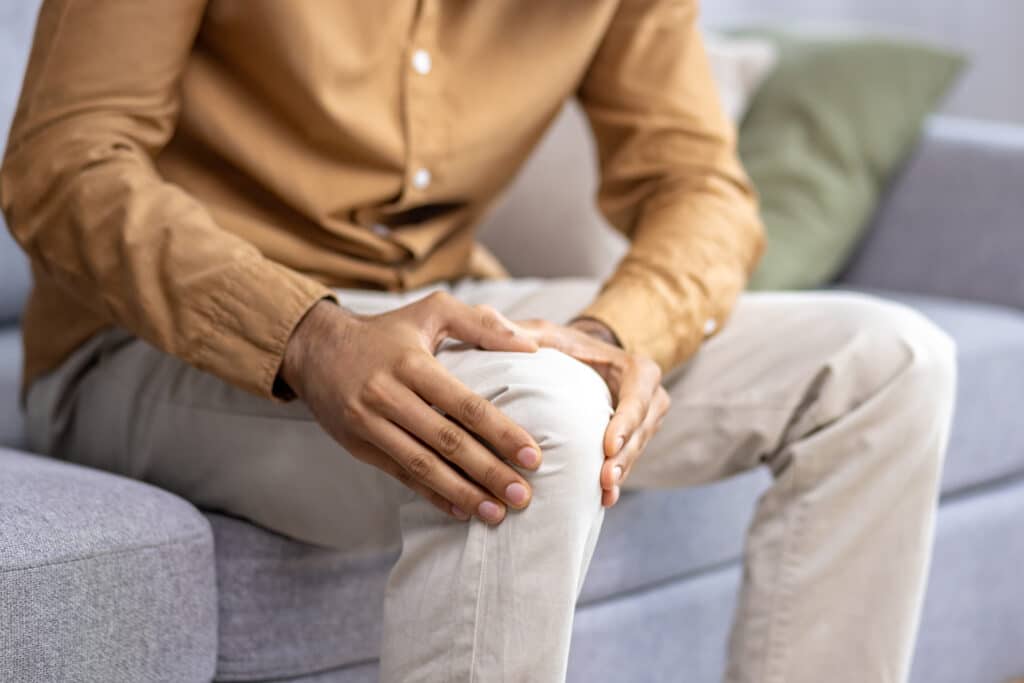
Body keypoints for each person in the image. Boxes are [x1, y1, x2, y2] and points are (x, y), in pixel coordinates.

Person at [0, 1, 957, 681]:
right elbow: (63, 162)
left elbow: (698, 183)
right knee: (531, 414)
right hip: (148, 347)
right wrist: (308, 333)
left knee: (886, 365)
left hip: (440, 304)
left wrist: (612, 332)